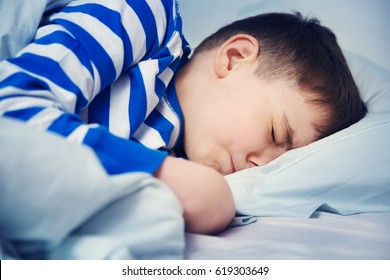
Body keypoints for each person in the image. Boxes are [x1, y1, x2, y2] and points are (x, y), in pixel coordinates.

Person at [0, 0, 367, 234]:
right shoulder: (143, 14)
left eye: (280, 160)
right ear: (234, 58)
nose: (260, 163)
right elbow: (13, 103)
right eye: (275, 132)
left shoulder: (173, 144)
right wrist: (168, 175)